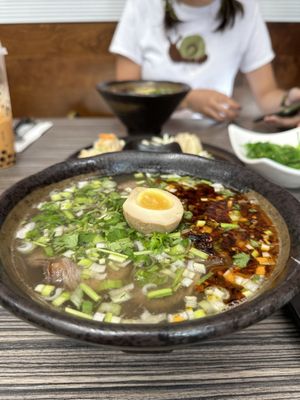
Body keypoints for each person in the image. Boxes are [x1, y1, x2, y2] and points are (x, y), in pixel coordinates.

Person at [109, 0, 300, 127]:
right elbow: (125, 96)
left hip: (216, 134)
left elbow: (266, 94)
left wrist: (288, 103)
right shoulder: (143, 4)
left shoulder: (245, 8)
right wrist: (186, 99)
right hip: (152, 130)